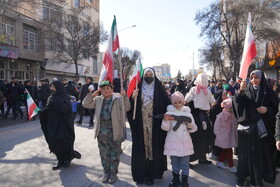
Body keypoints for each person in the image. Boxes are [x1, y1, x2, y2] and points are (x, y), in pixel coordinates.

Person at [232, 70, 278, 186]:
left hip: (261, 131)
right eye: (252, 78)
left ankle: (255, 180)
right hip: (246, 131)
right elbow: (238, 106)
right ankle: (242, 178)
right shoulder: (246, 91)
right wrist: (240, 92)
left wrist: (266, 110)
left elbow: (276, 110)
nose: (253, 80)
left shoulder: (268, 92)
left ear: (261, 78)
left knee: (258, 156)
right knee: (244, 156)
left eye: (256, 77)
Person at [127, 67, 171, 185]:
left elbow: (168, 105)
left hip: (155, 126)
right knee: (142, 149)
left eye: (151, 74)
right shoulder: (138, 89)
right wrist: (132, 98)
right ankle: (141, 174)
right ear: (143, 76)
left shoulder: (159, 89)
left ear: (154, 76)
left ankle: (152, 174)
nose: (149, 76)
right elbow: (129, 109)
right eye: (146, 74)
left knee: (153, 149)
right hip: (140, 126)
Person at [82, 81, 131, 184]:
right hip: (102, 131)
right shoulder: (98, 100)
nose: (106, 90)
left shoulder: (117, 99)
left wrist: (124, 96)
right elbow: (85, 104)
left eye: (108, 88)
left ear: (112, 90)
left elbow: (127, 108)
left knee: (114, 154)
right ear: (101, 91)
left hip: (115, 130)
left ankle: (113, 173)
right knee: (104, 154)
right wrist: (91, 95)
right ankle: (106, 172)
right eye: (103, 89)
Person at [39, 81, 81, 170]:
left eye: (53, 87)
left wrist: (56, 102)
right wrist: (41, 113)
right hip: (52, 123)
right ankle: (60, 160)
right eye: (51, 87)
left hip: (63, 124)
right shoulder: (51, 97)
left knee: (63, 142)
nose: (51, 89)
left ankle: (67, 158)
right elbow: (48, 108)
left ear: (58, 88)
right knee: (54, 142)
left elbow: (66, 110)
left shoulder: (65, 96)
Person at [161, 91, 197, 187]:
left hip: (185, 142)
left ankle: (185, 180)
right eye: (175, 103)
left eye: (179, 102)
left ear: (183, 102)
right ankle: (175, 178)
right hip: (173, 141)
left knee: (185, 163)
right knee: (174, 162)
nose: (177, 105)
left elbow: (194, 128)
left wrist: (188, 124)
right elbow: (166, 128)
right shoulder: (169, 113)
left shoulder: (187, 114)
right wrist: (165, 121)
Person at [185, 72, 215, 164]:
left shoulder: (208, 90)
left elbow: (212, 101)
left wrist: (210, 106)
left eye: (204, 79)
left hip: (204, 116)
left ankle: (202, 157)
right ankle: (190, 158)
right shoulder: (194, 89)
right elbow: (187, 99)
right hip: (195, 115)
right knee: (194, 136)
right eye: (201, 79)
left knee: (205, 136)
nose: (202, 80)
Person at [214, 98, 238, 173]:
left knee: (227, 148)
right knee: (228, 148)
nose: (231, 110)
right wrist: (218, 133)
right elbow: (217, 125)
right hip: (224, 135)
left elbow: (235, 124)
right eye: (230, 108)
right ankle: (231, 165)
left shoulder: (233, 115)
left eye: (232, 108)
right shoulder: (221, 115)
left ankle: (220, 161)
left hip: (230, 135)